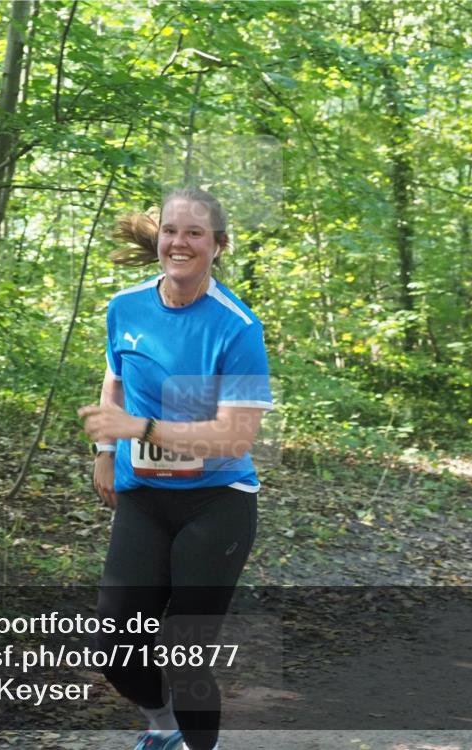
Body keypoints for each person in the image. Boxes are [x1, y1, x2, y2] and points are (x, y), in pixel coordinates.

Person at [78, 187, 273, 750]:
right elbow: (115, 377)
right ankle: (163, 732)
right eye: (170, 230)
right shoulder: (126, 307)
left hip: (217, 502)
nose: (179, 242)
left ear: (217, 245)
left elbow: (234, 436)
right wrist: (106, 453)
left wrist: (135, 431)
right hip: (143, 499)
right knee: (114, 646)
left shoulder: (237, 327)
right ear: (158, 236)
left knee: (185, 652)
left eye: (194, 233)